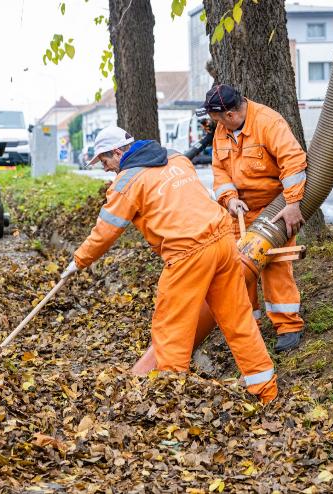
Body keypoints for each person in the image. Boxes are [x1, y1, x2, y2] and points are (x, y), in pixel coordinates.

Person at [61, 126, 278, 403]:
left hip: (188, 253)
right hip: (224, 242)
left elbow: (105, 231)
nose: (105, 169)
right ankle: (266, 391)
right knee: (238, 320)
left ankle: (170, 402)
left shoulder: (126, 182)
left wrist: (79, 260)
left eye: (104, 161)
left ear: (117, 152)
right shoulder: (175, 158)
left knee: (171, 328)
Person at [202, 84, 306, 353]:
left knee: (275, 267)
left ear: (230, 114)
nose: (216, 126)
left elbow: (293, 162)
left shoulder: (268, 123)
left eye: (216, 120)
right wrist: (229, 198)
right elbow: (219, 170)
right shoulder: (222, 131)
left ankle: (288, 326)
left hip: (273, 209)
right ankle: (249, 329)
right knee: (239, 268)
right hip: (240, 211)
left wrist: (293, 203)